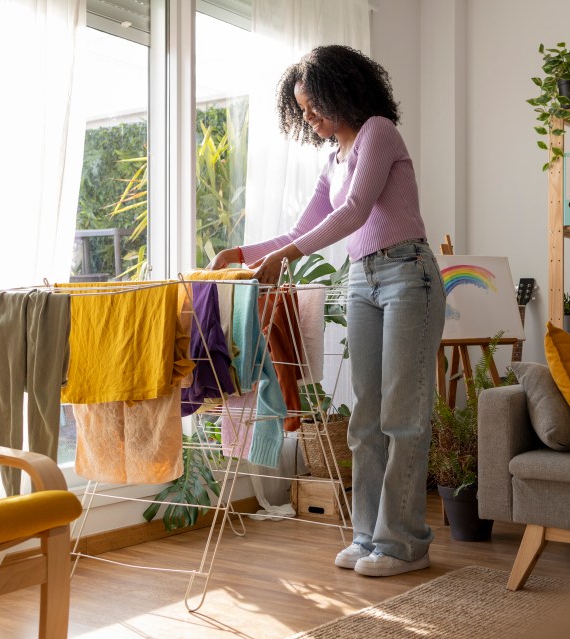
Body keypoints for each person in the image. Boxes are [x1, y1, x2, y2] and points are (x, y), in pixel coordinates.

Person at [209, 45, 445, 578]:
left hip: (410, 274)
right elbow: (299, 230)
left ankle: (404, 543)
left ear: (345, 91)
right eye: (303, 108)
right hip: (362, 278)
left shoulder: (378, 133)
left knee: (402, 418)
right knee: (365, 418)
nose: (310, 116)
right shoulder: (332, 160)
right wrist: (243, 255)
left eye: (315, 104)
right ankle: (368, 537)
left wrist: (282, 257)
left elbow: (355, 211)